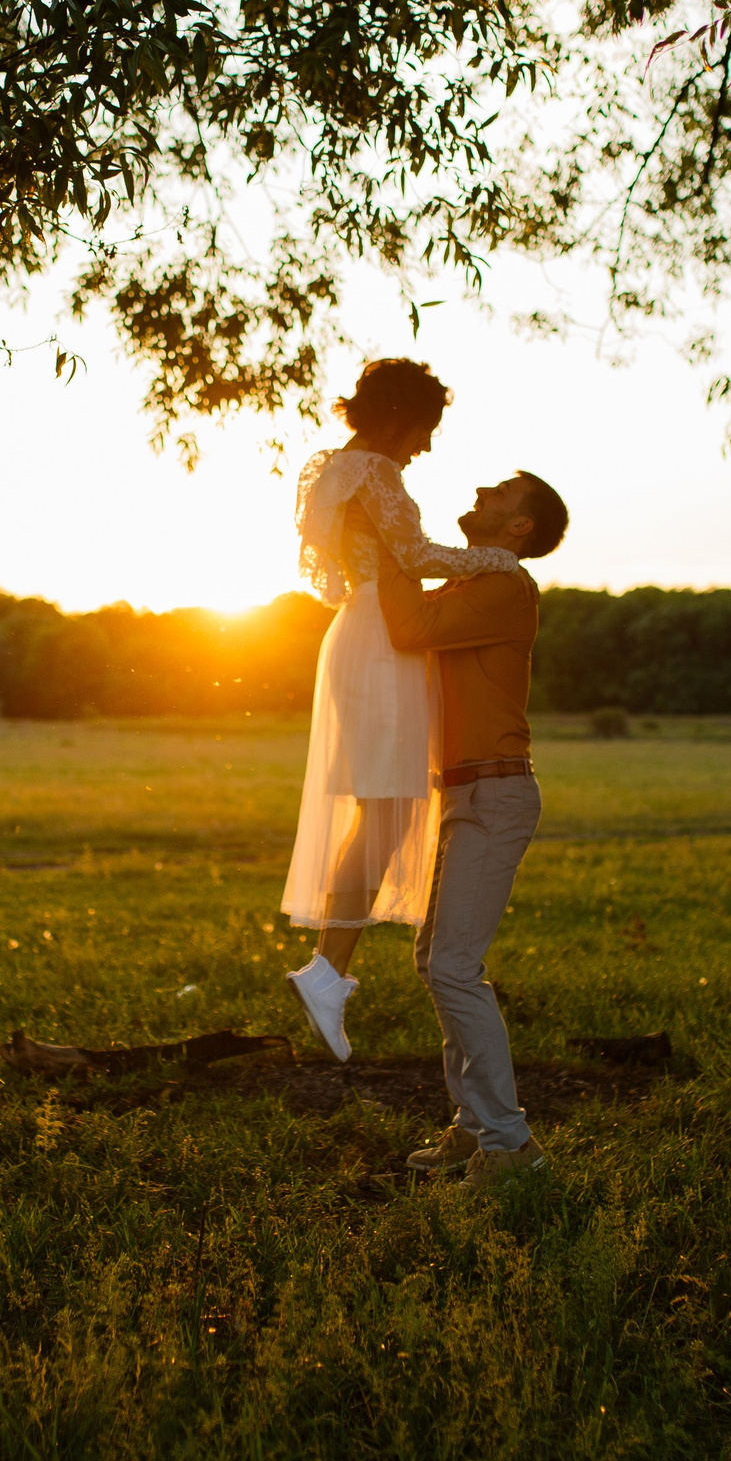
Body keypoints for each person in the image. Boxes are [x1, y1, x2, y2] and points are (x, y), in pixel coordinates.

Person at [281, 360, 520, 1062]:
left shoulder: (334, 470)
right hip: (383, 638)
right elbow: (412, 552)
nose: (426, 445)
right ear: (396, 415)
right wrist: (497, 559)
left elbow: (341, 571)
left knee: (380, 810)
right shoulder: (376, 471)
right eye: (425, 427)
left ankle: (329, 969)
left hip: (364, 628)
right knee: (384, 811)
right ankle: (327, 972)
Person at [353, 469, 570, 1186]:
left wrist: (388, 542)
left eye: (503, 490)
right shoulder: (471, 585)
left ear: (521, 528)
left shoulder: (507, 589)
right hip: (465, 794)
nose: (484, 489)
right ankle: (476, 1128)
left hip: (496, 793)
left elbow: (409, 628)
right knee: (434, 962)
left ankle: (513, 1148)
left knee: (453, 966)